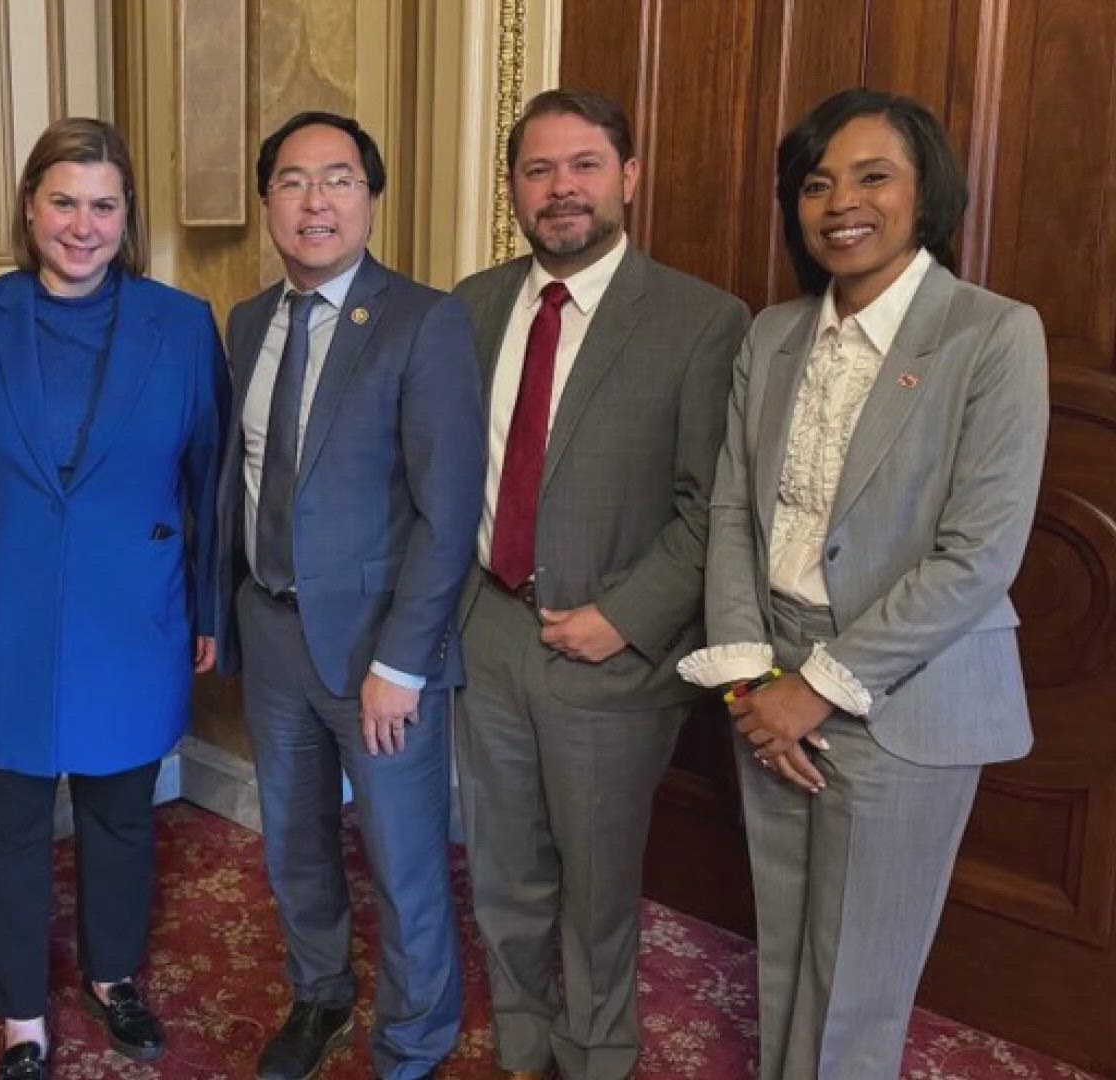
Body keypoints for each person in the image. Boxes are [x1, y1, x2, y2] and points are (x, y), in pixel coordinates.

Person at [678, 88, 1048, 1079]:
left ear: (926, 194)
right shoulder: (772, 336)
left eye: (873, 175)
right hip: (769, 683)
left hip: (902, 693)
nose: (841, 201)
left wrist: (818, 688)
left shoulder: (992, 335)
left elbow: (978, 553)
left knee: (860, 983)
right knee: (788, 951)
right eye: (816, 183)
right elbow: (730, 513)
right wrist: (751, 681)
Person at [0, 117, 225, 1080]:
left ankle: (113, 974)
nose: (82, 226)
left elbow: (211, 478)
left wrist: (207, 609)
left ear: (126, 218)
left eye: (103, 205)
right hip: (1, 617)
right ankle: (17, 1017)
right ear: (30, 209)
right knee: (3, 823)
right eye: (63, 202)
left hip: (136, 615)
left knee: (122, 811)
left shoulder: (179, 324)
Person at [449, 89, 748, 1080]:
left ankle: (598, 1056)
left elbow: (713, 506)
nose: (561, 188)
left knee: (598, 887)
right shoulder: (474, 305)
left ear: (627, 176)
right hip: (488, 634)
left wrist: (622, 618)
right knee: (504, 872)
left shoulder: (702, 322)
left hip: (611, 654)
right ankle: (524, 1047)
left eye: (583, 165)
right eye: (538, 170)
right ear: (514, 190)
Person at [214, 111, 484, 1080]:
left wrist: (404, 663)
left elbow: (446, 515)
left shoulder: (424, 321)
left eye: (337, 180)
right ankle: (320, 993)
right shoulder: (247, 323)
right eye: (292, 181)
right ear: (267, 203)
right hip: (272, 630)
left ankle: (413, 1043)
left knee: (404, 860)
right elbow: (233, 486)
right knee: (293, 842)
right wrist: (222, 616)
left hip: (380, 652)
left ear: (371, 198)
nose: (314, 202)